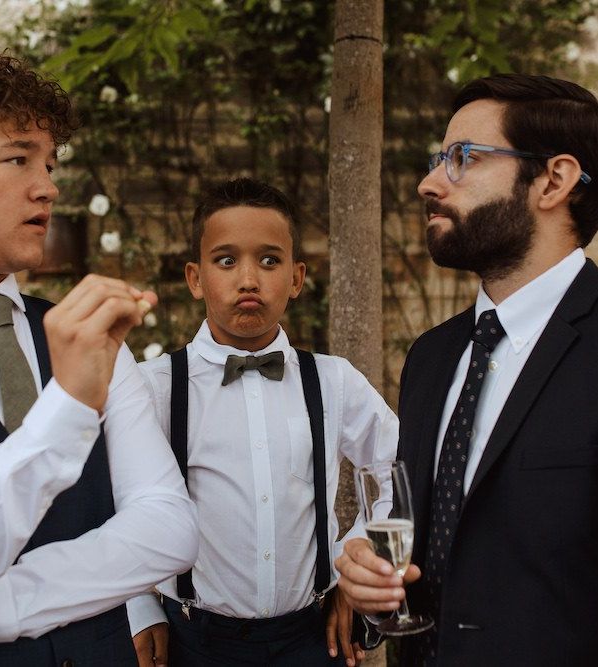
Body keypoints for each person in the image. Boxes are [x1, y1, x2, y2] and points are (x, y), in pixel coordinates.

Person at [0, 53, 198, 665]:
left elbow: (168, 531)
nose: (47, 184)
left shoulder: (89, 333)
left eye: (49, 163)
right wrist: (69, 409)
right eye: (18, 158)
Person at [335, 73, 598, 666]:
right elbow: (420, 541)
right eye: (439, 159)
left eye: (463, 158)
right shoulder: (430, 357)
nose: (430, 183)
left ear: (553, 180)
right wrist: (375, 589)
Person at [125, 178, 398, 666]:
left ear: (296, 278)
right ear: (195, 278)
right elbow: (114, 505)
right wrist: (139, 604)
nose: (248, 279)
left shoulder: (333, 381)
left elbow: (402, 470)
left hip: (312, 640)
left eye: (269, 261)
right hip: (194, 640)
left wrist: (357, 559)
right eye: (226, 260)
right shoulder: (153, 387)